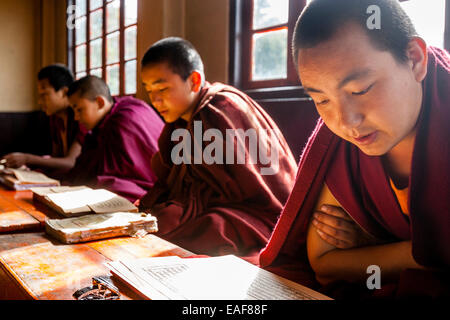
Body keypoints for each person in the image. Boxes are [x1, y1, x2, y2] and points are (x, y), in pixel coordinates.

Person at [259, 0, 450, 299]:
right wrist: (422, 254)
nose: (347, 122)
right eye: (321, 101)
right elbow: (323, 262)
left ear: (415, 59)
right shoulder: (346, 140)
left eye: (361, 90)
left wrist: (373, 248)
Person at [139, 37, 298, 259]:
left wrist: (180, 208)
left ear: (194, 81)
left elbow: (248, 192)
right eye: (148, 90)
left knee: (195, 231)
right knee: (153, 220)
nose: (154, 99)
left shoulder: (219, 110)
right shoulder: (180, 121)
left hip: (260, 216)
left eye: (162, 88)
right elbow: (176, 182)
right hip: (214, 208)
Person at [65, 75, 164, 202]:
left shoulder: (125, 119)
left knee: (108, 188)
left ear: (100, 102)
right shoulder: (101, 124)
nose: (76, 118)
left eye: (79, 110)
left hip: (153, 188)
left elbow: (115, 178)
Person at [2, 64, 86, 176]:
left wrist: (27, 158)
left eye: (44, 95)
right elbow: (56, 159)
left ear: (64, 93)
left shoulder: (80, 117)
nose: (40, 102)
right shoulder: (55, 119)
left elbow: (70, 162)